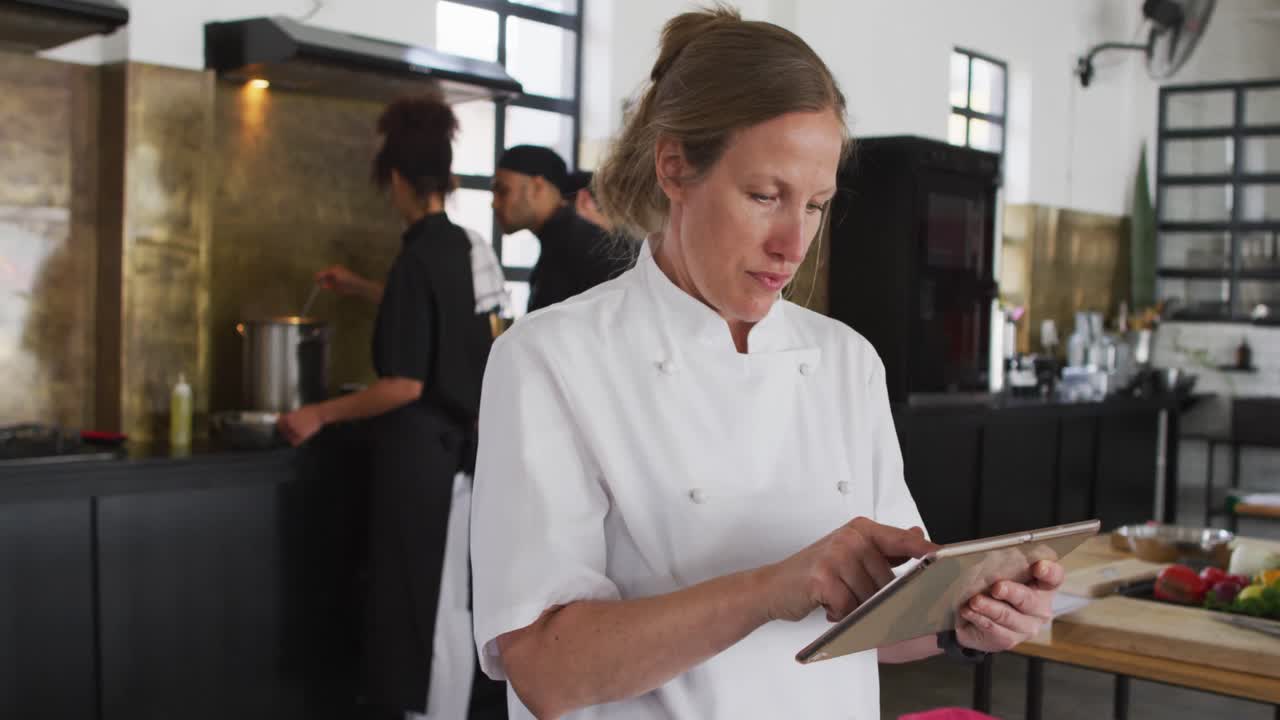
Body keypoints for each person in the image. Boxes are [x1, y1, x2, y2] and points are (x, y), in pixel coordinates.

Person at [469, 9, 1065, 719]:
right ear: (675, 167)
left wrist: (965, 618)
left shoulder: (847, 362)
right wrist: (771, 587)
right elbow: (545, 672)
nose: (794, 243)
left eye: (816, 206)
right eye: (764, 196)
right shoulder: (549, 360)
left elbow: (876, 625)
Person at [277, 95, 507, 720]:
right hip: (461, 454)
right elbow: (444, 317)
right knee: (450, 605)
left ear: (399, 182)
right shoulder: (462, 246)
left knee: (420, 608)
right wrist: (359, 288)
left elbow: (404, 384)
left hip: (420, 463)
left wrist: (316, 414)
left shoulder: (415, 256)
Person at [490, 146, 633, 313]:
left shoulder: (578, 243)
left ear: (538, 187)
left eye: (503, 191)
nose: (494, 203)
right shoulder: (562, 240)